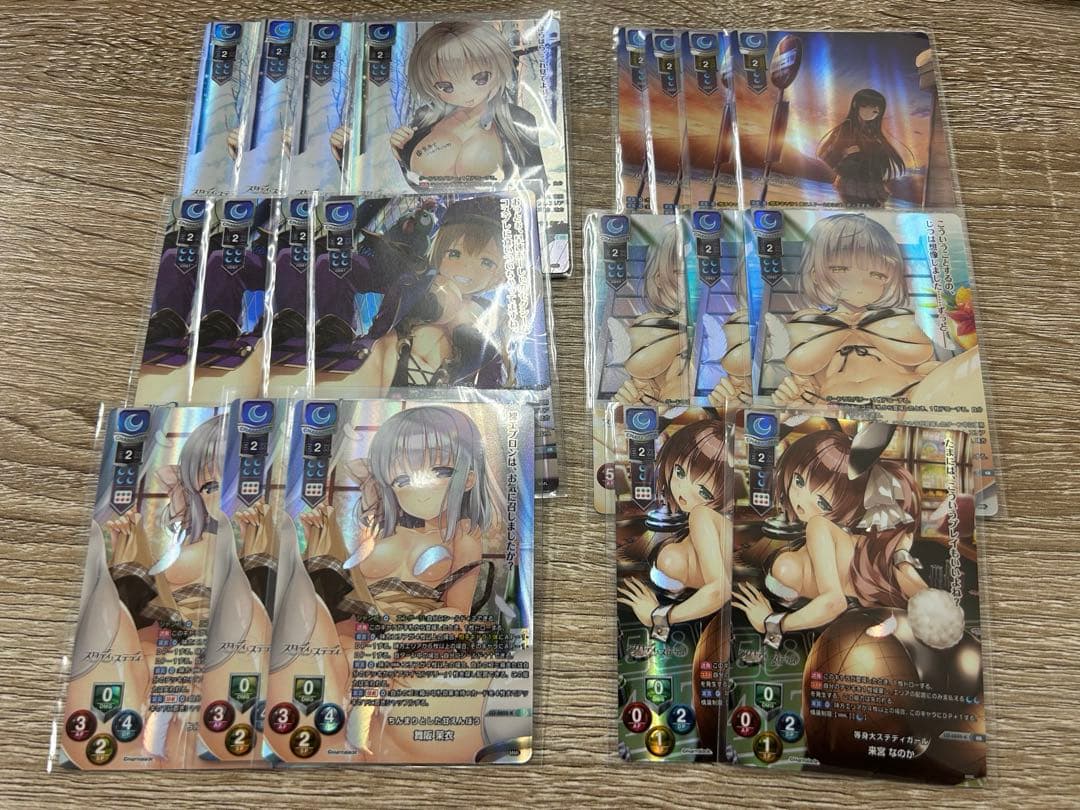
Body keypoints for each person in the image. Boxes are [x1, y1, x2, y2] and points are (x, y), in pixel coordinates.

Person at [391, 21, 544, 184]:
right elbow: (410, 181)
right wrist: (401, 151)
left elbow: (536, 182)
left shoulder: (519, 122)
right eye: (446, 87)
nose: (465, 94)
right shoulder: (423, 118)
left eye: (480, 78)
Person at [817, 88, 906, 207]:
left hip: (871, 186)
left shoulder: (872, 133)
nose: (873, 114)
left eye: (876, 112)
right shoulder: (846, 128)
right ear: (856, 105)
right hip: (851, 184)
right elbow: (824, 155)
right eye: (868, 107)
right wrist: (844, 153)